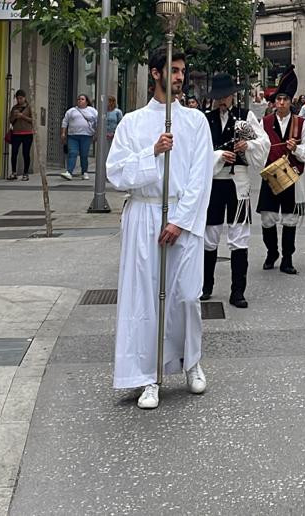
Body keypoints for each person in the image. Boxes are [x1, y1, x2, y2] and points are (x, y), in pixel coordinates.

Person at [106, 47, 216, 410]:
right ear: (155, 73)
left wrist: (180, 221)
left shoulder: (196, 122)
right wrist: (151, 152)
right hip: (144, 213)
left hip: (183, 217)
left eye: (183, 71)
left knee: (186, 295)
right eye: (173, 70)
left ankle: (191, 362)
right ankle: (148, 376)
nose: (180, 77)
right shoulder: (132, 122)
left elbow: (201, 176)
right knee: (145, 298)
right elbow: (115, 173)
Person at [200, 74, 268, 308]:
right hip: (213, 180)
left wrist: (247, 145)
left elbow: (263, 143)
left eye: (226, 96)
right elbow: (197, 152)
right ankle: (205, 285)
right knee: (209, 234)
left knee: (239, 235)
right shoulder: (205, 119)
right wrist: (218, 156)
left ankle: (238, 291)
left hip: (238, 181)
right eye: (218, 97)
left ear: (233, 96)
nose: (222, 101)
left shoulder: (245, 117)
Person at [258, 80, 305, 274]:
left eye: (285, 99)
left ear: (290, 102)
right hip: (270, 176)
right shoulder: (264, 122)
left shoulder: (300, 123)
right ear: (274, 102)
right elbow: (258, 148)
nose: (281, 102)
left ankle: (287, 258)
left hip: (291, 176)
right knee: (267, 217)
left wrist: (295, 148)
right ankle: (272, 252)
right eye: (278, 99)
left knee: (290, 218)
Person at [60, 94, 99, 180]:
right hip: (73, 136)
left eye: (82, 99)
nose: (80, 101)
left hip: (86, 136)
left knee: (84, 155)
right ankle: (69, 172)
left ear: (86, 101)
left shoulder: (92, 111)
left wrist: (96, 134)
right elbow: (65, 122)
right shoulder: (71, 111)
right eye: (78, 99)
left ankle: (84, 172)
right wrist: (63, 133)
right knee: (72, 153)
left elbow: (97, 122)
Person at [8, 90, 36, 181]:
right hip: (16, 133)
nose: (19, 100)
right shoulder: (14, 108)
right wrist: (15, 116)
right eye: (17, 98)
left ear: (24, 98)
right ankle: (14, 172)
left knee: (25, 153)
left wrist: (22, 116)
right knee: (14, 152)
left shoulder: (29, 107)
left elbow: (33, 120)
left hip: (27, 133)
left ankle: (25, 173)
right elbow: (11, 120)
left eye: (21, 98)